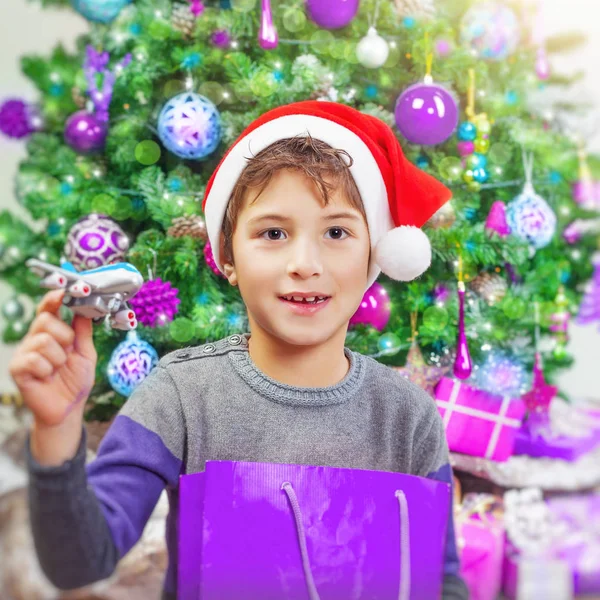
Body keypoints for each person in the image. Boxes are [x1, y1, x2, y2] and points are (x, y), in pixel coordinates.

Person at [9, 101, 468, 599]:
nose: (305, 263)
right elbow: (78, 561)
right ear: (228, 256)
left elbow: (438, 583)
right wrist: (56, 429)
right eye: (273, 233)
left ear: (375, 254)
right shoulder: (181, 397)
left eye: (337, 232)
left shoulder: (410, 419)